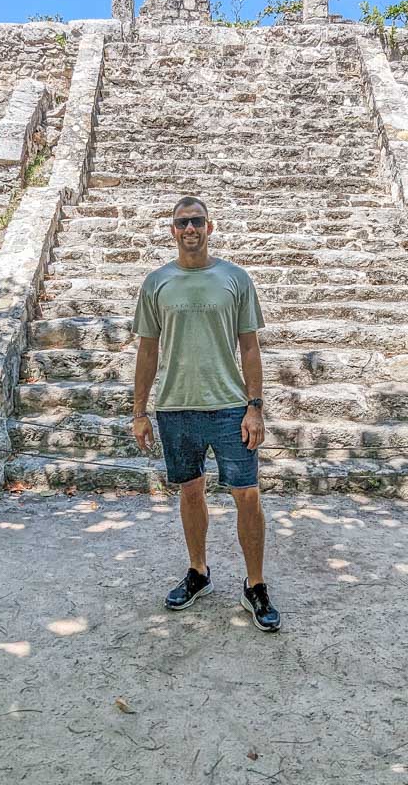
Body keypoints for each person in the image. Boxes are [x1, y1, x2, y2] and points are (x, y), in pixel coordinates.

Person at [131, 195, 281, 633]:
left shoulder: (234, 279)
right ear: (172, 230)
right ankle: (198, 571)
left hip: (230, 406)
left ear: (210, 227)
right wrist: (139, 411)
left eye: (197, 221)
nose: (190, 228)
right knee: (190, 492)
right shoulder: (157, 282)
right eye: (182, 222)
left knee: (247, 495)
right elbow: (147, 349)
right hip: (176, 407)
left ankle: (255, 584)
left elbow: (250, 346)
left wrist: (255, 407)